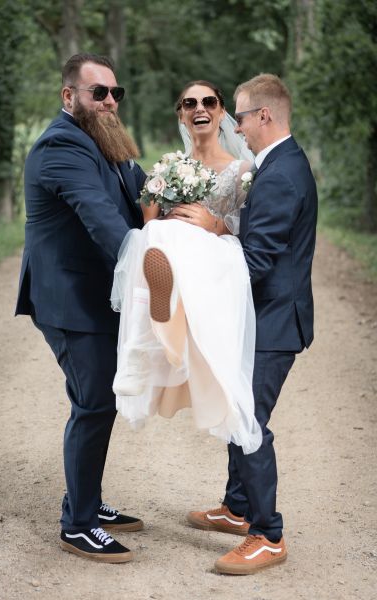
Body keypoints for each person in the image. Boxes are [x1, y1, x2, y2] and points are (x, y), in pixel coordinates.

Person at [15, 53, 147, 563]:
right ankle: (78, 525)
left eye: (116, 92)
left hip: (95, 295)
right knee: (93, 403)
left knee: (101, 400)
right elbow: (100, 215)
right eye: (99, 92)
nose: (110, 101)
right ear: (69, 96)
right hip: (68, 298)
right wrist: (147, 264)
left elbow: (140, 198)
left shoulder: (104, 142)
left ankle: (85, 500)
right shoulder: (62, 145)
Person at [187, 74, 318, 575]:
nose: (236, 127)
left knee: (247, 422)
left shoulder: (281, 174)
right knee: (236, 406)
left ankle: (267, 535)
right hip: (262, 315)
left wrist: (208, 243)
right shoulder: (279, 164)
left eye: (239, 117)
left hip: (274, 320)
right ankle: (237, 508)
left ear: (263, 115)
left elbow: (257, 259)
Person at [111, 81, 262, 455]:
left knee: (158, 237)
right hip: (175, 257)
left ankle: (140, 350)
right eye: (190, 103)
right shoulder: (168, 167)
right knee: (150, 234)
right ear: (181, 114)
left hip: (217, 259)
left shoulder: (243, 170)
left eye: (209, 101)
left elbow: (255, 224)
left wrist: (216, 224)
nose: (200, 108)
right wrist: (153, 207)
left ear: (222, 112)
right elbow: (151, 223)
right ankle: (151, 337)